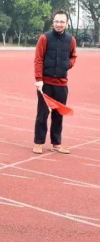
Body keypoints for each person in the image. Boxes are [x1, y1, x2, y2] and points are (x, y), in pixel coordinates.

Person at [33, 10, 77, 154]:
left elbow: (73, 57)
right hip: (45, 84)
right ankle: (38, 143)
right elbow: (38, 59)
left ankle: (56, 143)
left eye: (62, 22)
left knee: (58, 115)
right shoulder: (45, 38)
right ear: (53, 22)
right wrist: (38, 79)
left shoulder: (71, 40)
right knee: (42, 114)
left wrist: (67, 65)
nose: (59, 24)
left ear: (66, 23)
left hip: (62, 84)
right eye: (57, 21)